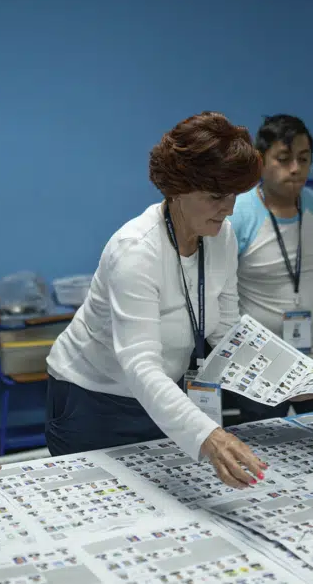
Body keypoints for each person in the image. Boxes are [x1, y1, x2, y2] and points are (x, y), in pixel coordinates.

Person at [45, 111, 268, 489]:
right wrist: (208, 436)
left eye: (234, 196)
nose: (229, 208)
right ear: (178, 189)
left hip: (163, 394)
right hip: (93, 400)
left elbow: (228, 330)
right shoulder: (135, 250)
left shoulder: (221, 236)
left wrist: (288, 378)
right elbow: (140, 365)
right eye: (216, 196)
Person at [226, 114, 313, 422]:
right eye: (284, 159)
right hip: (260, 361)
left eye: (303, 159)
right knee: (263, 454)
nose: (295, 169)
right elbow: (222, 292)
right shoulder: (239, 214)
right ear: (260, 161)